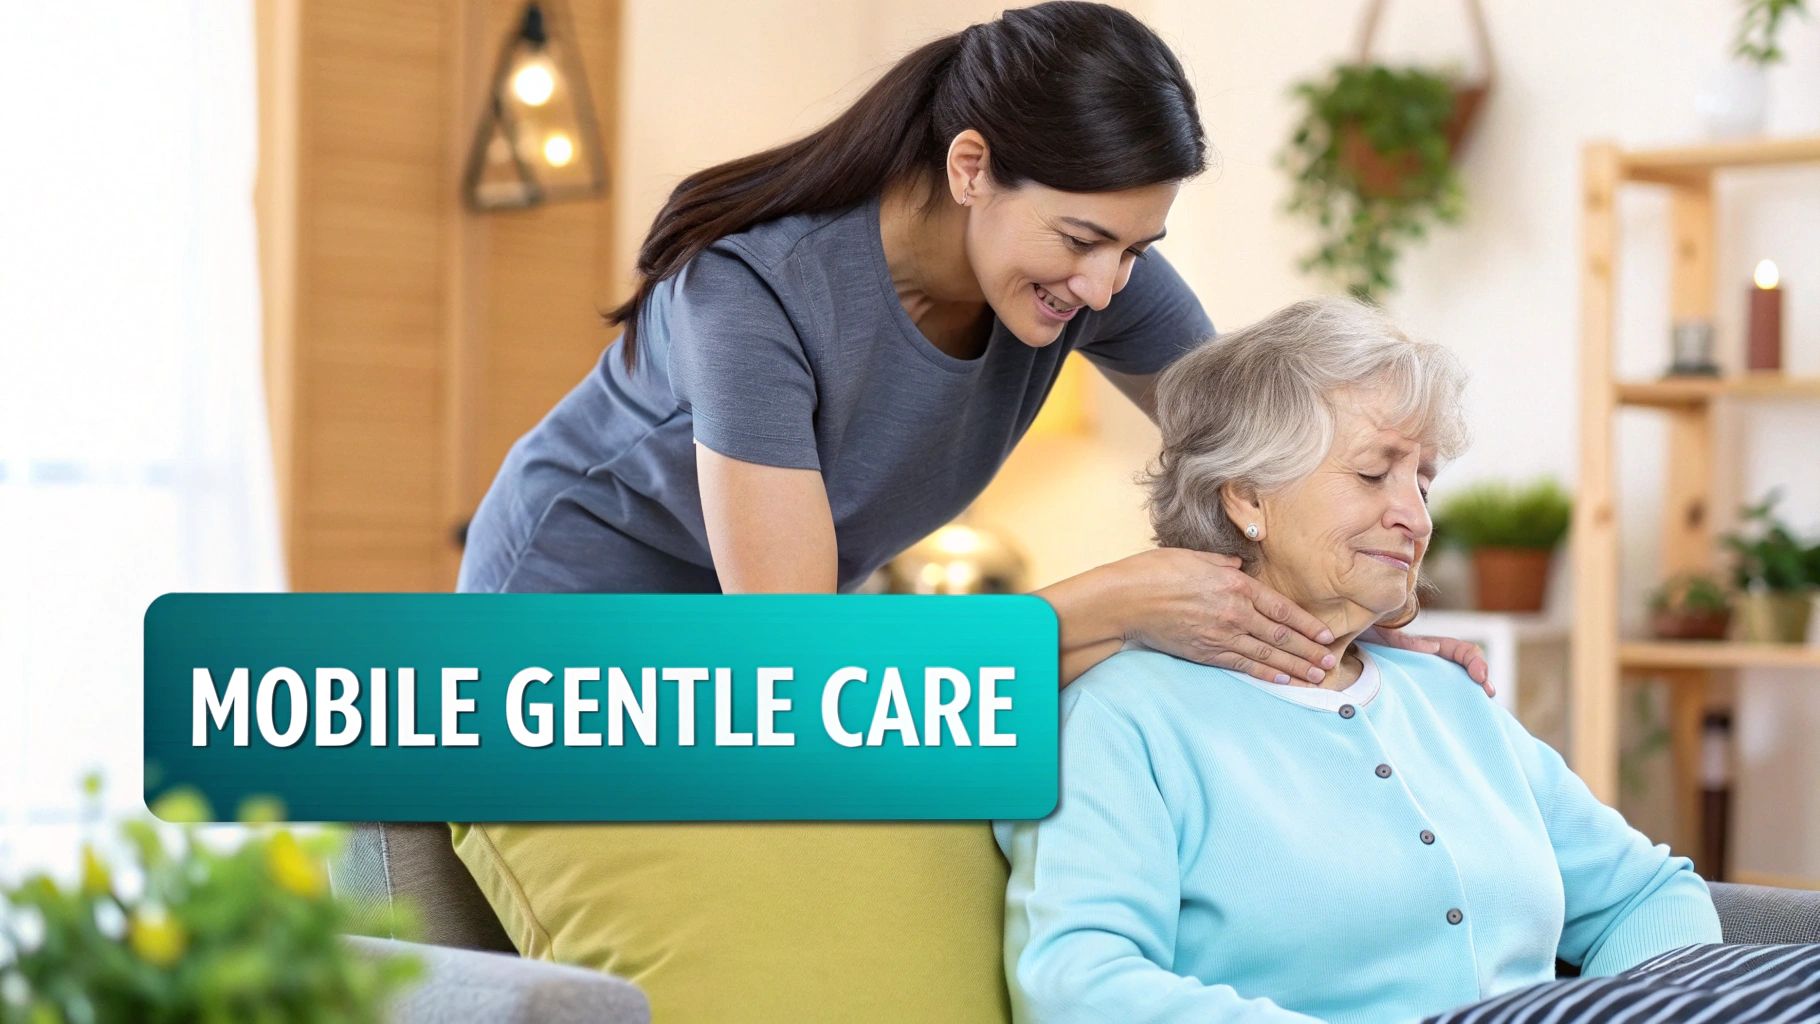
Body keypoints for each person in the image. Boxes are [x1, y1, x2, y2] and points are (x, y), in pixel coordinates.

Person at [454, 4, 1487, 1019]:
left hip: (788, 646)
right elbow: (792, 662)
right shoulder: (751, 293)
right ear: (970, 167)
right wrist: (1119, 601)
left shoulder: (1086, 274)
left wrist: (1352, 624)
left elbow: (1268, 463)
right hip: (571, 623)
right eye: (1083, 239)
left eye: (1135, 249)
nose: (1104, 286)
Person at [995, 297, 1726, 1024]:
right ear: (1248, 497)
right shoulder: (1122, 714)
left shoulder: (1447, 696)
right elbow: (1078, 988)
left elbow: (1647, 897)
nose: (1417, 517)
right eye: (1375, 474)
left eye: (1424, 482)